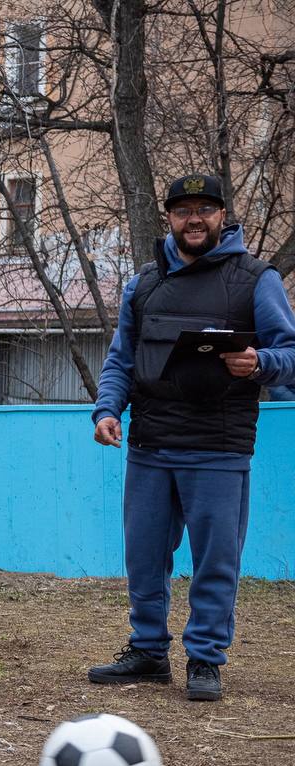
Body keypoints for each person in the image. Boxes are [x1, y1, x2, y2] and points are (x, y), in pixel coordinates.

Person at [88, 175, 295, 702]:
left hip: (219, 447)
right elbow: (121, 358)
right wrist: (107, 408)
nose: (194, 219)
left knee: (216, 559)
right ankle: (149, 652)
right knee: (144, 555)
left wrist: (259, 362)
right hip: (150, 444)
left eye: (206, 209)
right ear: (170, 218)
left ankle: (204, 658)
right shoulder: (144, 283)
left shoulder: (255, 279)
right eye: (184, 211)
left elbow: (290, 354)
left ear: (224, 215)